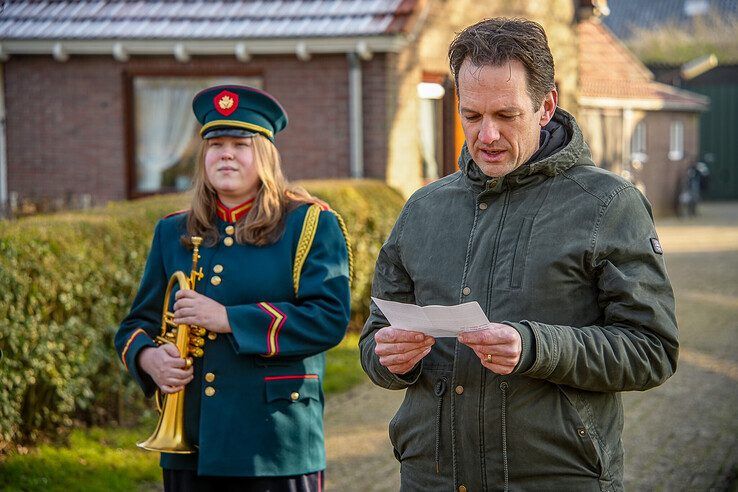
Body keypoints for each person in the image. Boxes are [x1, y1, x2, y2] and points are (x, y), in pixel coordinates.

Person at [360, 18, 678, 491]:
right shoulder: (424, 208)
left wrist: (534, 347)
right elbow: (373, 344)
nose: (486, 134)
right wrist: (391, 357)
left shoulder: (608, 205)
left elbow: (652, 351)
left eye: (506, 116)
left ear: (546, 106)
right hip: (433, 477)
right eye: (471, 115)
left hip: (554, 477)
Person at [115, 85, 351, 491]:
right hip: (192, 440)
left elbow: (329, 320)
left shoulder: (308, 224)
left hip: (274, 443)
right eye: (215, 144)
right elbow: (135, 325)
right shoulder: (172, 231)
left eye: (240, 144)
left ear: (265, 156)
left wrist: (227, 319)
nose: (225, 154)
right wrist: (149, 359)